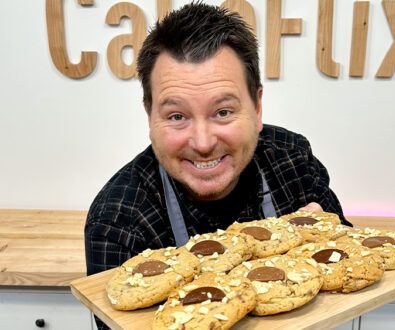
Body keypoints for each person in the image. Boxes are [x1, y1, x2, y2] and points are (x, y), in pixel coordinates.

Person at [85, 2, 351, 328]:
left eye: (223, 112)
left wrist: (333, 242)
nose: (203, 142)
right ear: (149, 116)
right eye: (177, 116)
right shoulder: (118, 222)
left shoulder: (292, 159)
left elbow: (351, 273)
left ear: (257, 107)